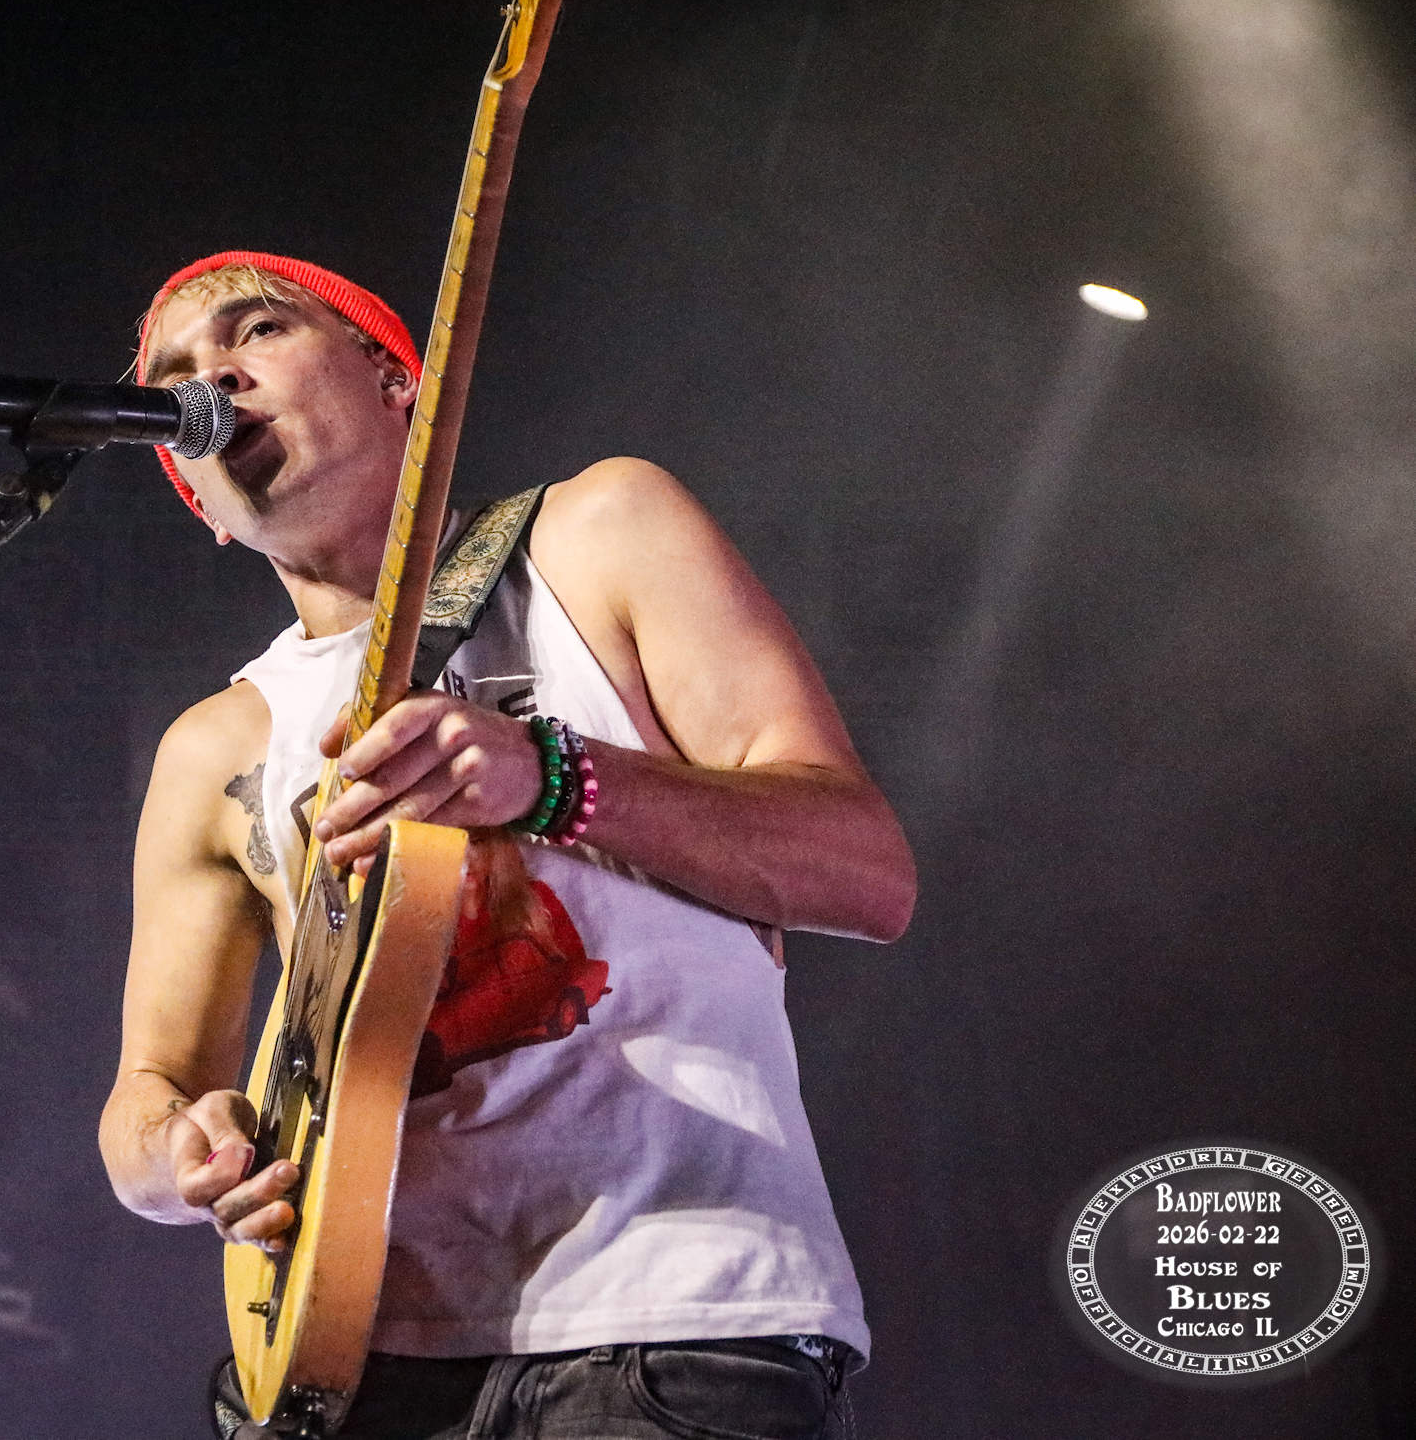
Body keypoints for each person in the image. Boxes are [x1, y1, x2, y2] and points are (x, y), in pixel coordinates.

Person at [98, 252, 917, 1439]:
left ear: (397, 379)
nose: (207, 376)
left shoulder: (601, 533)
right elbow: (146, 1097)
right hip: (342, 1359)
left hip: (671, 1316)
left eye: (256, 331)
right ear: (195, 496)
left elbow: (868, 875)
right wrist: (183, 1153)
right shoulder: (214, 747)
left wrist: (555, 778)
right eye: (173, 374)